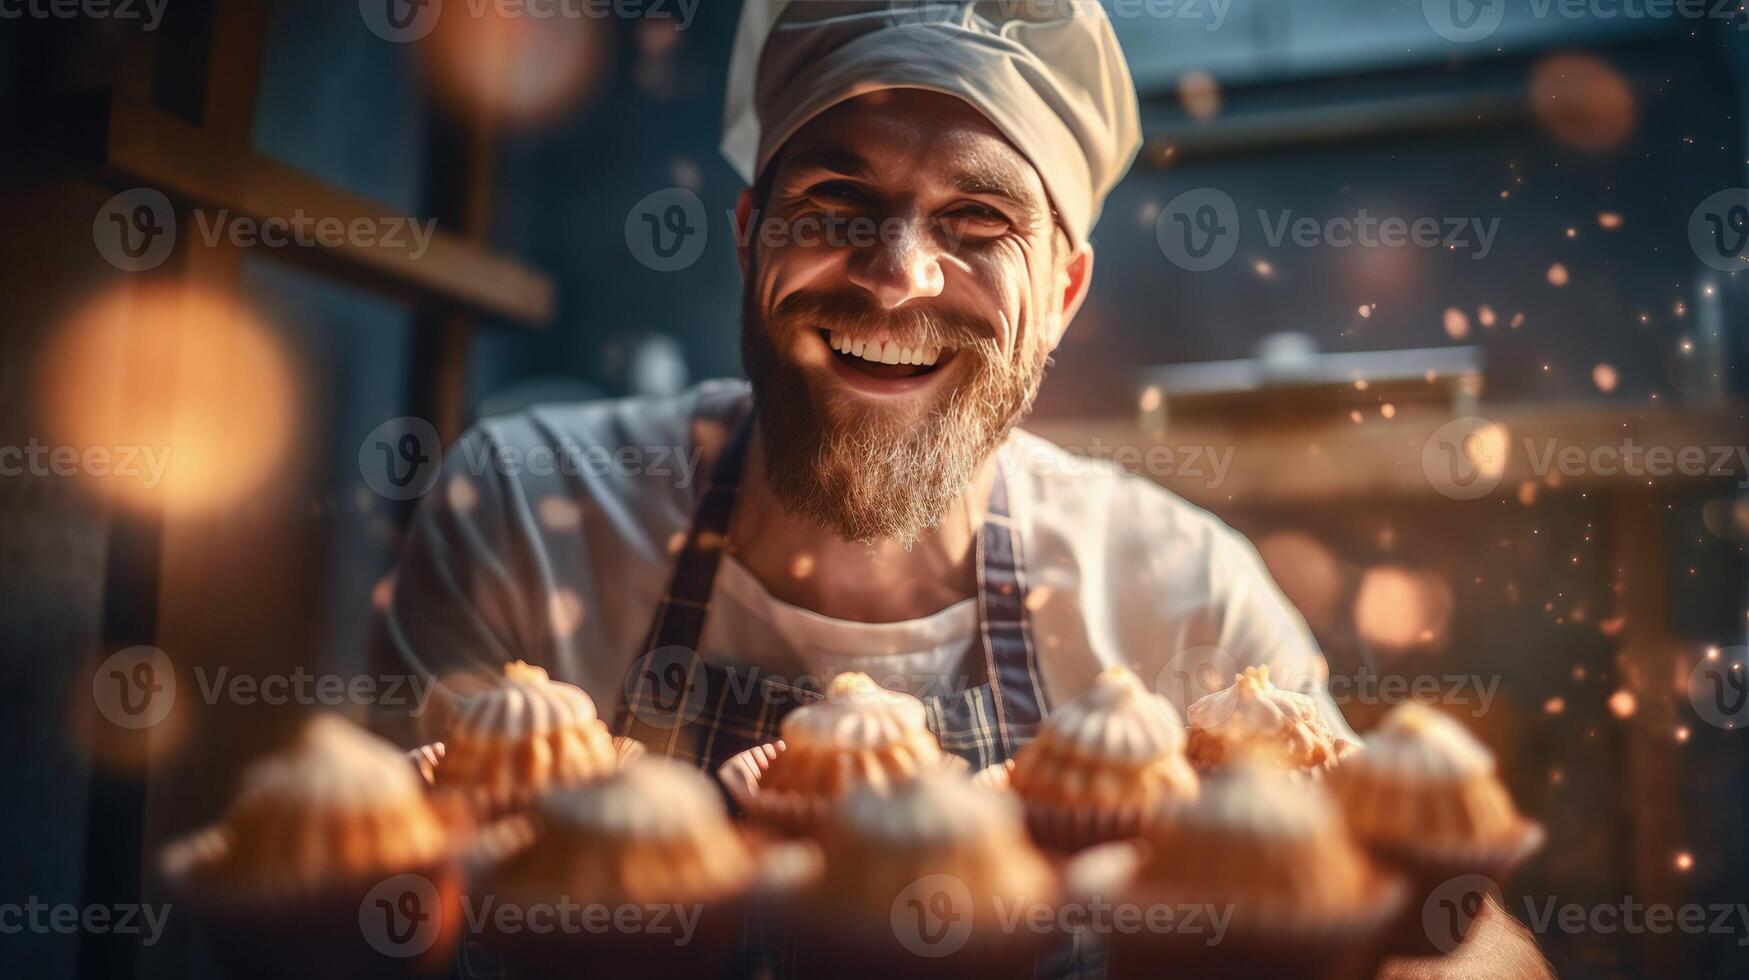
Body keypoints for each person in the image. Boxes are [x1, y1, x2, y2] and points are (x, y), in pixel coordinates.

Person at [386, 0, 1353, 767]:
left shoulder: (1187, 604)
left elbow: (1460, 940)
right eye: (836, 202)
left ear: (1061, 294)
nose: (896, 277)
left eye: (977, 220)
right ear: (746, 237)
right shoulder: (525, 519)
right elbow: (377, 904)